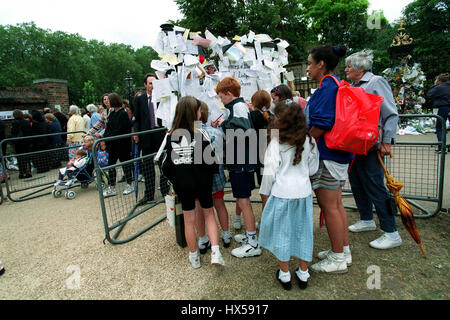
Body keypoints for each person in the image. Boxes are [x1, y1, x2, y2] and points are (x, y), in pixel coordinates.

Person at [345, 49, 403, 250]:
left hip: (371, 145)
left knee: (376, 185)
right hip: (356, 144)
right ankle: (366, 218)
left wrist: (387, 141)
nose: (346, 69)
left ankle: (391, 231)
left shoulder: (376, 82)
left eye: (349, 66)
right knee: (357, 183)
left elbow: (391, 113)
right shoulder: (352, 85)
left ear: (360, 68)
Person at [259, 100, 319, 290]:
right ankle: (303, 273)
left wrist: (264, 193)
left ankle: (284, 274)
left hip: (281, 193)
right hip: (303, 193)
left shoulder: (276, 143)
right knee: (303, 231)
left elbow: (269, 173)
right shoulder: (310, 140)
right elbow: (312, 169)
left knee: (282, 233)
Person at [305, 45, 353, 274]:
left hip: (327, 154)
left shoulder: (326, 87)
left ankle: (337, 258)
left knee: (329, 206)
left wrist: (303, 144)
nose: (307, 69)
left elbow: (322, 124)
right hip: (338, 154)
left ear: (320, 64)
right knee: (336, 205)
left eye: (309, 63)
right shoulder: (337, 84)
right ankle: (342, 249)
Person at [160, 96, 224, 268]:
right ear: (193, 112)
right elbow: (211, 160)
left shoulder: (170, 135)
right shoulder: (200, 132)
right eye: (198, 109)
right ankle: (215, 252)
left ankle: (194, 257)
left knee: (189, 219)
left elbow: (165, 164)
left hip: (183, 183)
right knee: (209, 214)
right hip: (203, 181)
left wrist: (175, 181)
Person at [213, 77, 261, 258]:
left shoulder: (238, 107)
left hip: (241, 160)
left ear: (229, 94)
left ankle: (252, 242)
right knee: (243, 199)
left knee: (243, 201)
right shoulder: (237, 107)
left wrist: (223, 125)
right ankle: (251, 236)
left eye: (221, 96)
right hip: (239, 159)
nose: (220, 100)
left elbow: (243, 130)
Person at [194, 101, 232, 252]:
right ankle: (226, 234)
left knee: (199, 208)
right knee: (219, 204)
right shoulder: (216, 131)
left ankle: (203, 239)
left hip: (198, 176)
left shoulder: (190, 132)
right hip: (216, 171)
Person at [233, 90, 272, 230]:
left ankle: (238, 218)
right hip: (266, 158)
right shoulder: (270, 116)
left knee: (243, 192)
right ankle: (266, 222)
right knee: (265, 192)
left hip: (251, 156)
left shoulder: (253, 115)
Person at [133, 74, 170, 204]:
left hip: (160, 134)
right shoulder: (140, 100)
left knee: (164, 165)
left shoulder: (164, 98)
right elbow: (136, 119)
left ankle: (166, 192)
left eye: (155, 83)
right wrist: (136, 133)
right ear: (145, 85)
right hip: (146, 136)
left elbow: (169, 114)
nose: (153, 86)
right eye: (150, 83)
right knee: (148, 166)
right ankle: (149, 195)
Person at [102, 93, 134, 198]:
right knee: (111, 165)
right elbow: (108, 128)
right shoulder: (112, 114)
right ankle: (112, 187)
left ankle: (130, 184)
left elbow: (121, 129)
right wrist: (104, 138)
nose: (107, 102)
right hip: (112, 145)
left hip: (122, 145)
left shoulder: (123, 113)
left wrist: (109, 136)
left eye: (109, 100)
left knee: (126, 165)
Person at [427, 73, 450, 153]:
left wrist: (434, 85)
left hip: (443, 107)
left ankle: (442, 146)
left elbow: (429, 94)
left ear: (439, 80)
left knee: (440, 127)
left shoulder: (439, 87)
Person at [10, 110, 33, 178]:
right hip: (27, 143)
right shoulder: (26, 122)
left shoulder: (15, 123)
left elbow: (14, 133)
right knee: (27, 158)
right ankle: (29, 171)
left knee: (20, 158)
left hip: (19, 143)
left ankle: (22, 172)